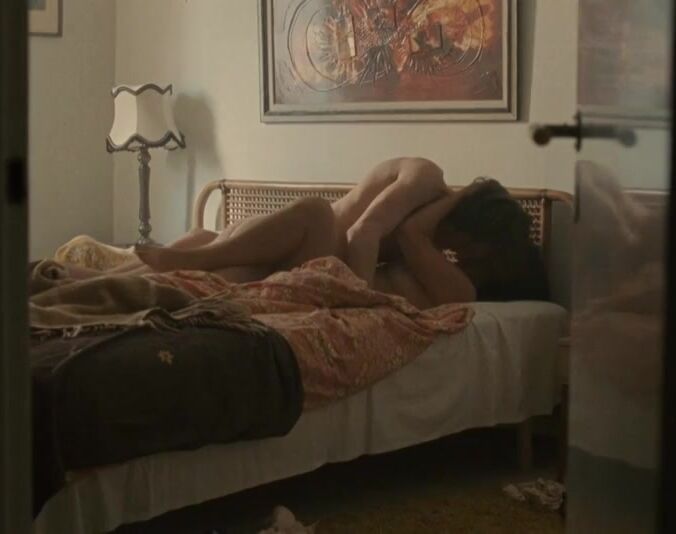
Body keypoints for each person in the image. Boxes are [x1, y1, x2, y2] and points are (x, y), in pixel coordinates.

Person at [72, 158, 547, 309]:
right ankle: (88, 279)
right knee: (318, 215)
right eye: (466, 245)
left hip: (296, 253)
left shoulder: (440, 258)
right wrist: (356, 306)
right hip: (306, 242)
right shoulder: (424, 180)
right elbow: (362, 234)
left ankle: (82, 282)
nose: (457, 252)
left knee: (198, 248)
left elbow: (402, 239)